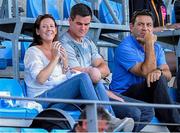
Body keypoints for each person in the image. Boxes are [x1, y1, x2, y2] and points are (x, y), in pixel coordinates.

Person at [23, 14, 134, 132]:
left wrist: (65, 64)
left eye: (52, 26)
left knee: (94, 81)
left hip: (60, 99)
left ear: (56, 30)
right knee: (83, 77)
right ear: (37, 31)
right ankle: (108, 122)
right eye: (44, 26)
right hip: (42, 100)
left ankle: (110, 121)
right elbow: (40, 79)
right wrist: (55, 59)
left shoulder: (58, 49)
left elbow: (64, 78)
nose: (49, 29)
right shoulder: (33, 52)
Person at [60, 3, 154, 132]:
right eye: (79, 24)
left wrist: (95, 72)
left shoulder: (88, 42)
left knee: (148, 111)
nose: (83, 28)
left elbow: (105, 69)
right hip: (84, 94)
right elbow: (76, 73)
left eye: (87, 24)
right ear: (70, 21)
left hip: (101, 88)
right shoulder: (63, 43)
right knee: (134, 113)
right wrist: (95, 72)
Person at [109, 9, 180, 132]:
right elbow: (147, 72)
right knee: (157, 80)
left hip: (146, 94)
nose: (145, 29)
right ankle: (176, 129)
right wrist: (149, 44)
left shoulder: (157, 47)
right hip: (124, 95)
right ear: (131, 27)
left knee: (161, 79)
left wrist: (159, 71)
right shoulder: (125, 47)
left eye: (149, 25)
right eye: (140, 24)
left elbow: (167, 73)